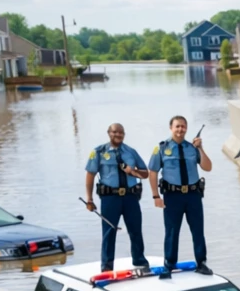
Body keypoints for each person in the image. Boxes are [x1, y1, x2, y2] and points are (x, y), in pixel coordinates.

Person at [148, 115, 212, 277]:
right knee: (171, 231)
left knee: (198, 230)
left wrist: (201, 148)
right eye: (177, 126)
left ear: (186, 129)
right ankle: (169, 264)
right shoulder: (162, 148)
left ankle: (201, 263)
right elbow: (153, 171)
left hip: (193, 195)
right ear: (171, 128)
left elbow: (207, 167)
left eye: (183, 126)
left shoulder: (192, 148)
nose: (180, 129)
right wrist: (156, 196)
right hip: (172, 196)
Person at [84, 123, 150, 269]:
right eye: (115, 132)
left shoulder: (131, 152)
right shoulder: (99, 152)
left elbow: (145, 173)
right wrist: (89, 199)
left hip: (130, 198)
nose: (118, 135)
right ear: (109, 133)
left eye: (121, 133)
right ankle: (107, 266)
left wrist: (132, 172)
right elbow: (90, 175)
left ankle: (139, 261)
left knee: (135, 230)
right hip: (110, 199)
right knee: (109, 232)